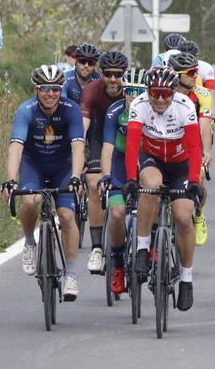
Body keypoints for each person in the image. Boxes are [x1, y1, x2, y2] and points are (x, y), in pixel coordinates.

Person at [2, 65, 84, 301]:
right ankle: (29, 242)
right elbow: (16, 147)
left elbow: (78, 146)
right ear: (36, 89)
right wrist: (10, 180)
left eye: (56, 89)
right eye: (45, 89)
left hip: (63, 166)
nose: (51, 93)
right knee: (30, 201)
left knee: (67, 216)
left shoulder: (71, 110)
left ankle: (71, 274)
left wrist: (76, 176)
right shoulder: (25, 110)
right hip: (34, 164)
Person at [124, 66, 202, 311]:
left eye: (165, 94)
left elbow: (196, 149)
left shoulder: (185, 106)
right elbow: (132, 145)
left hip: (181, 164)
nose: (159, 99)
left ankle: (187, 280)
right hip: (152, 159)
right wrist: (130, 179)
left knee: (182, 216)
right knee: (150, 186)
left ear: (173, 91)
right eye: (154, 93)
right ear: (148, 91)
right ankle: (143, 249)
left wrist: (194, 183)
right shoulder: (139, 105)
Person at [98, 67, 146, 294]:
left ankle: (152, 245)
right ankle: (117, 266)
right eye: (129, 91)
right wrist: (106, 176)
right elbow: (107, 148)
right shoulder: (114, 112)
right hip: (119, 162)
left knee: (153, 202)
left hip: (145, 162)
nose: (133, 96)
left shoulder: (153, 110)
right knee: (117, 213)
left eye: (139, 91)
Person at [82, 50, 128, 274]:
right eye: (108, 74)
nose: (112, 79)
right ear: (101, 73)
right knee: (94, 184)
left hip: (125, 140)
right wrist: (80, 154)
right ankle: (97, 247)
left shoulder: (132, 91)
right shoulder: (92, 90)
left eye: (118, 75)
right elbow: (82, 126)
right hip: (99, 137)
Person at [168, 52, 215, 246]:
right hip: (168, 140)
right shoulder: (165, 92)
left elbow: (204, 127)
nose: (196, 75)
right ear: (177, 75)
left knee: (200, 175)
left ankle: (199, 213)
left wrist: (207, 151)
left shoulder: (202, 94)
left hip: (192, 141)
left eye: (196, 71)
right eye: (191, 72)